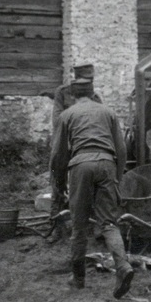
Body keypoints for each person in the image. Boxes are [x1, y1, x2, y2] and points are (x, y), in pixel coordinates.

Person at [50, 78, 133, 298]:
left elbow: (58, 156)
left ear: (72, 95)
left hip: (81, 166)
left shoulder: (66, 115)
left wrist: (59, 185)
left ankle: (78, 279)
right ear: (93, 92)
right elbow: (121, 150)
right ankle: (123, 266)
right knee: (108, 223)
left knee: (79, 226)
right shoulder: (109, 112)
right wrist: (117, 178)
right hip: (107, 164)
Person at [48, 64, 103, 241]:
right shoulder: (62, 92)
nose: (89, 82)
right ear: (76, 78)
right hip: (64, 143)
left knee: (92, 183)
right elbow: (57, 120)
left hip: (84, 145)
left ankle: (92, 224)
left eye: (91, 80)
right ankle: (56, 226)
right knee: (58, 181)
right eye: (85, 79)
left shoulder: (95, 97)